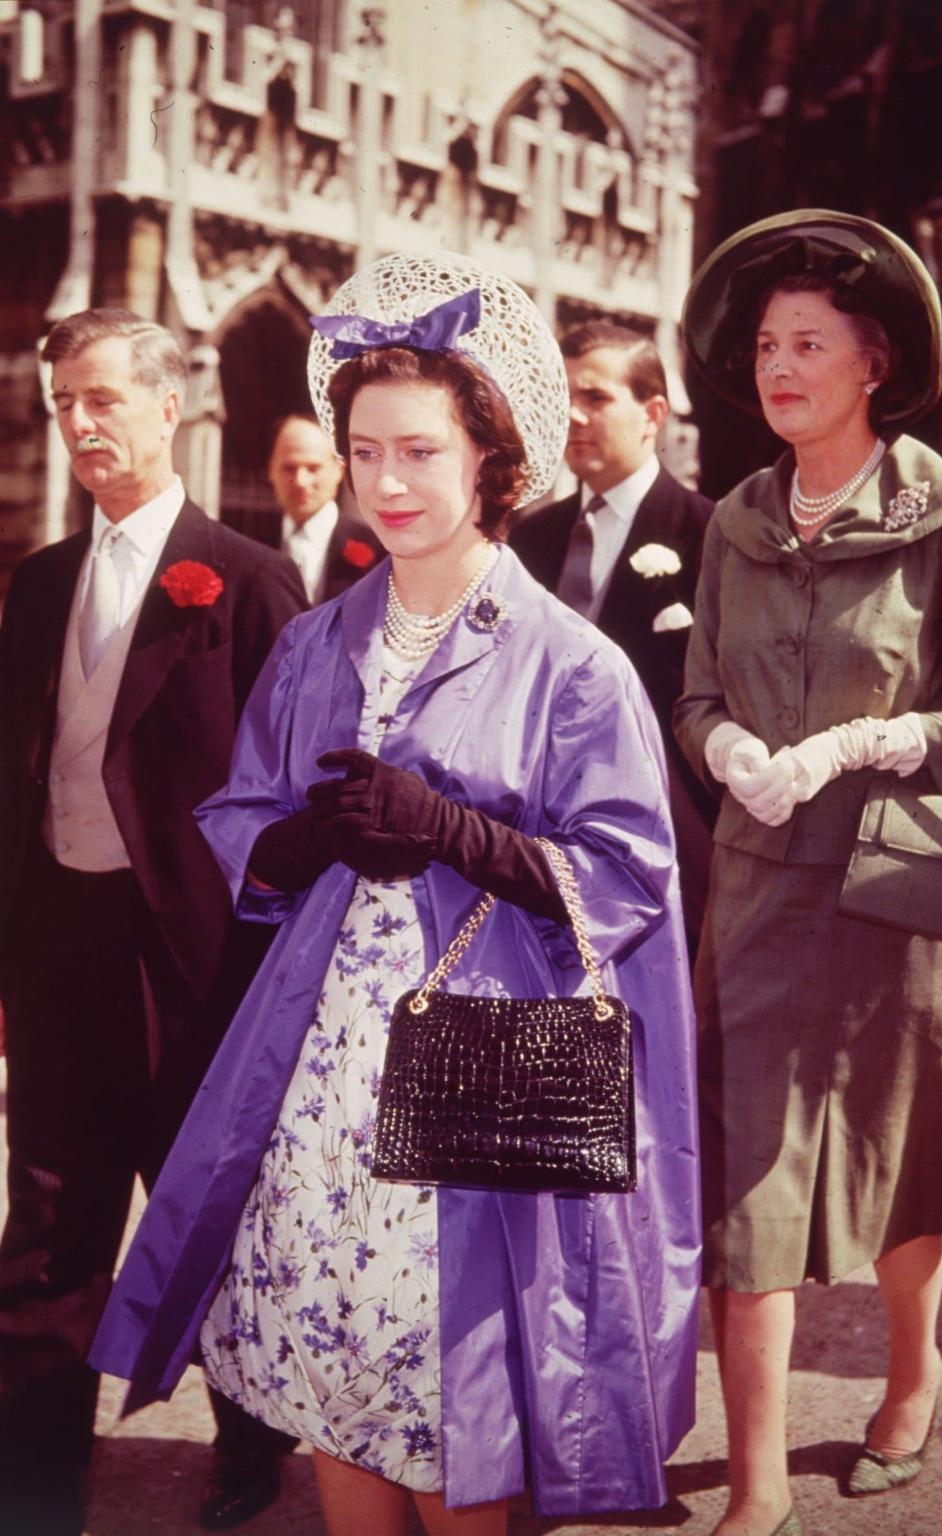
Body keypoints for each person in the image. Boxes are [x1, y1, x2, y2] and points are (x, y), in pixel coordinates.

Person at [89, 255, 701, 1535]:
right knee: (338, 1398)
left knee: (464, 1423)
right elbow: (245, 825)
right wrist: (304, 838)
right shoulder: (320, 639)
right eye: (367, 452)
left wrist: (460, 836)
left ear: (490, 456)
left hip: (483, 1082)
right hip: (319, 1084)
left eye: (420, 451)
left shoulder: (571, 663)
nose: (388, 483)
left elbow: (632, 876)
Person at [0, 309, 308, 1536]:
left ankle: (249, 1444)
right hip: (62, 940)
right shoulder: (34, 583)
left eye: (103, 399)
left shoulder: (243, 578)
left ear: (168, 407)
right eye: (63, 401)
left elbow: (299, 781)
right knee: (47, 1219)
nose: (79, 423)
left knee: (204, 1208)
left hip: (192, 964)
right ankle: (30, 1479)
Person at [675, 210, 942, 1536]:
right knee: (751, 1182)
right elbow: (691, 696)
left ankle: (912, 1376)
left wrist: (888, 734)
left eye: (810, 343)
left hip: (897, 893)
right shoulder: (732, 521)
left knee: (905, 1163)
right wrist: (722, 738)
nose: (779, 365)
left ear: (876, 363)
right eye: (768, 345)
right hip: (757, 889)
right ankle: (761, 1484)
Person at [510, 321, 715, 954]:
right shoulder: (530, 538)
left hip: (664, 835)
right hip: (535, 838)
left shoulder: (707, 533)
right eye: (564, 395)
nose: (573, 415)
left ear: (653, 414)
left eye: (596, 398)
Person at [266, 412, 382, 602]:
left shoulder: (378, 548)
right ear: (271, 470)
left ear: (339, 469)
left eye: (313, 468)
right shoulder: (252, 543)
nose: (301, 481)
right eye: (289, 468)